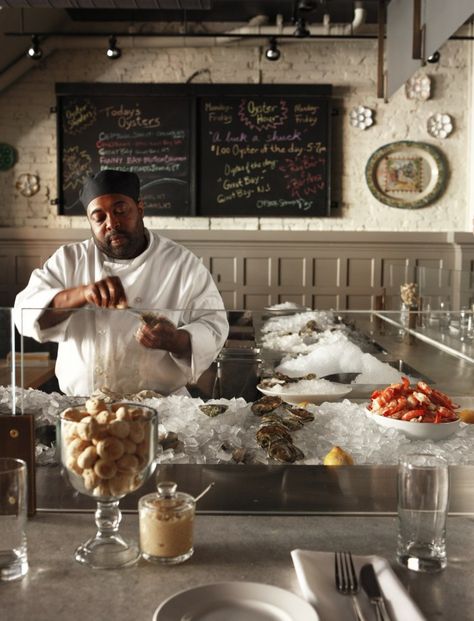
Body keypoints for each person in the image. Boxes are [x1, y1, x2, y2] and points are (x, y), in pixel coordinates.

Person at [14, 169, 229, 396]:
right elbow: (24, 312)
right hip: (83, 408)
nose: (112, 223)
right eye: (99, 217)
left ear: (140, 208)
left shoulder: (181, 262)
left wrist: (175, 340)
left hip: (162, 407)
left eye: (120, 211)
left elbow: (214, 326)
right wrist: (83, 294)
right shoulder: (69, 259)